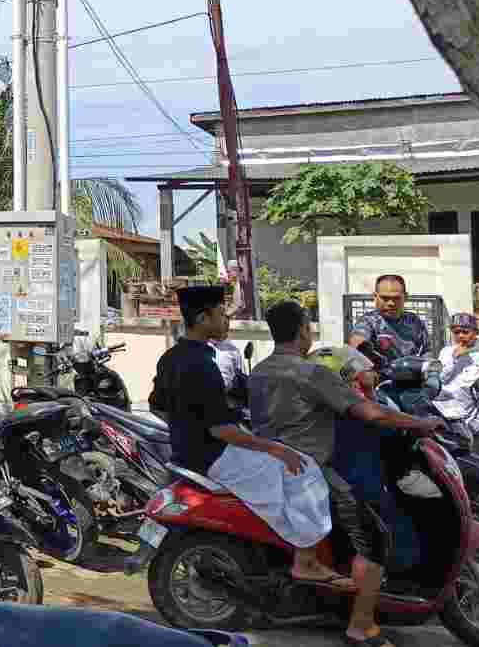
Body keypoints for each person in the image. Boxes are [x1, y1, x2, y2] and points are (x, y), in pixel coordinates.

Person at [253, 300, 444, 647]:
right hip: (310, 470)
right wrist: (422, 423)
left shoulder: (261, 371)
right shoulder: (311, 374)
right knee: (374, 540)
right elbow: (373, 414)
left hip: (274, 466)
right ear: (303, 330)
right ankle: (361, 626)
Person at [150, 286, 336, 560]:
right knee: (302, 469)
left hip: (185, 453)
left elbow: (158, 406)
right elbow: (221, 430)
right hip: (213, 456)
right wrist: (276, 449)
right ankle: (306, 559)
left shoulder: (171, 357)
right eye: (221, 314)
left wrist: (187, 427)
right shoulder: (202, 364)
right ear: (202, 319)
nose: (226, 320)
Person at [433, 312, 479, 418]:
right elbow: (439, 379)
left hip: (477, 410)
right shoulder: (446, 352)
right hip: (449, 407)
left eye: (465, 332)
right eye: (456, 332)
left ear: (476, 332)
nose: (460, 336)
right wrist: (453, 359)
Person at [348, 274, 431, 364]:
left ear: (405, 297)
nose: (391, 303)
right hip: (379, 372)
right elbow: (357, 340)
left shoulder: (415, 322)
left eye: (396, 298)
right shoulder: (369, 321)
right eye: (385, 298)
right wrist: (371, 355)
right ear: (375, 297)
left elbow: (427, 352)